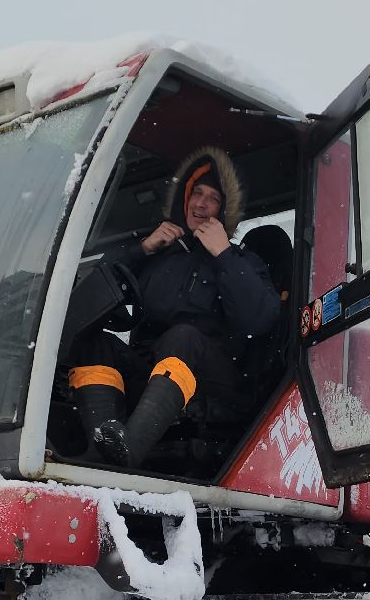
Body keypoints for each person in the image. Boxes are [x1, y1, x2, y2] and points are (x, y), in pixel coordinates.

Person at [67, 146, 280, 469]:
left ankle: (130, 448)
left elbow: (259, 320)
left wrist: (222, 254)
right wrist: (142, 250)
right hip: (156, 373)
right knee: (93, 341)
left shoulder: (241, 261)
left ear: (224, 210)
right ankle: (102, 450)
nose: (201, 204)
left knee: (182, 337)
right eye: (196, 193)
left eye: (213, 199)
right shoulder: (160, 255)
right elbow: (96, 292)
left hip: (215, 378)